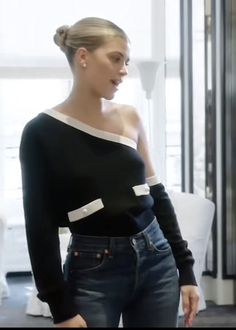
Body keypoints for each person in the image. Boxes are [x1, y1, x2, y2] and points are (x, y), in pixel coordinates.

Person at [19, 17, 200, 328]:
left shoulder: (130, 117)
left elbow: (157, 196)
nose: (124, 70)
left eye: (126, 61)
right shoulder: (40, 132)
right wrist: (60, 306)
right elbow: (39, 225)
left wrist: (186, 270)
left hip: (157, 259)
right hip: (92, 270)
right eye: (116, 58)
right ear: (84, 57)